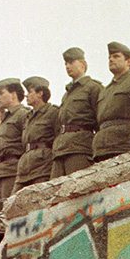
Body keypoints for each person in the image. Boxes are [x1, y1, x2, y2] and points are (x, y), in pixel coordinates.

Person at [51, 47, 103, 177]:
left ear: (83, 64)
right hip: (61, 148)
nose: (68, 66)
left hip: (80, 146)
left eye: (71, 62)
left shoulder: (93, 87)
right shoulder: (67, 94)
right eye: (66, 64)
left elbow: (100, 118)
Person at [0, 78, 29, 211]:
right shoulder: (6, 119)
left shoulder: (23, 114)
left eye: (2, 93)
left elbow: (28, 141)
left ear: (13, 94)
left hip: (12, 169)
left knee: (9, 213)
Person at [93, 42, 130, 162]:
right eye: (109, 57)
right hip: (102, 147)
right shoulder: (104, 91)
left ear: (128, 61)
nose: (111, 60)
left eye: (116, 56)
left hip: (123, 143)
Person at [13, 76, 58, 192]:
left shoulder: (53, 112)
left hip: (42, 167)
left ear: (40, 93)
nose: (26, 95)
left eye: (30, 92)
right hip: (24, 168)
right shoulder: (28, 117)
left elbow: (58, 139)